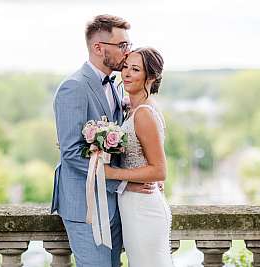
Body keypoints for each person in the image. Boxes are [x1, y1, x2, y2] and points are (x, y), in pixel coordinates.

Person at [51, 14, 155, 267]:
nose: (127, 52)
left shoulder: (118, 87)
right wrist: (125, 183)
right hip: (85, 206)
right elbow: (73, 154)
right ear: (98, 48)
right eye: (122, 46)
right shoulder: (73, 87)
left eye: (128, 45)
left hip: (116, 205)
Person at [105, 47, 174, 267]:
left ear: (151, 77)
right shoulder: (131, 109)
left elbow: (159, 170)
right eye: (125, 67)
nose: (126, 74)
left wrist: (114, 174)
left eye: (135, 69)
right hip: (133, 204)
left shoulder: (144, 114)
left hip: (144, 208)